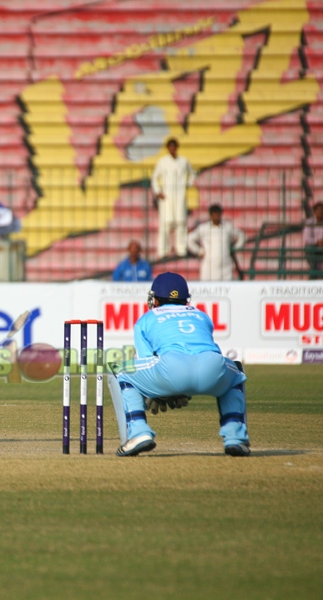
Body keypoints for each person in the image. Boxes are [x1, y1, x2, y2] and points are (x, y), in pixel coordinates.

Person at [106, 272, 250, 457]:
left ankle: (137, 433)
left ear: (155, 300)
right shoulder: (202, 315)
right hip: (212, 367)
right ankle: (236, 438)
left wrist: (161, 391)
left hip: (172, 368)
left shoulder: (147, 319)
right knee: (236, 372)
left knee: (119, 371)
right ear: (186, 299)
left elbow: (147, 359)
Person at [151, 138, 196, 258]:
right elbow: (155, 177)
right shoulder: (162, 162)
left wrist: (187, 184)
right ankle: (163, 251)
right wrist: (158, 191)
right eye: (170, 147)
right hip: (167, 197)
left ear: (176, 147)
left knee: (181, 223)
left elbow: (192, 174)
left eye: (174, 146)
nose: (172, 149)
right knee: (165, 224)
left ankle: (181, 249)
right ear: (167, 148)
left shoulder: (184, 161)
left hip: (180, 197)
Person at [186, 204, 246, 281]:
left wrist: (235, 248)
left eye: (218, 214)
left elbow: (242, 236)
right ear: (210, 215)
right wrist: (199, 251)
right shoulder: (204, 228)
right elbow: (189, 239)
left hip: (226, 267)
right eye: (214, 215)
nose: (216, 217)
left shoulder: (227, 227)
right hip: (209, 267)